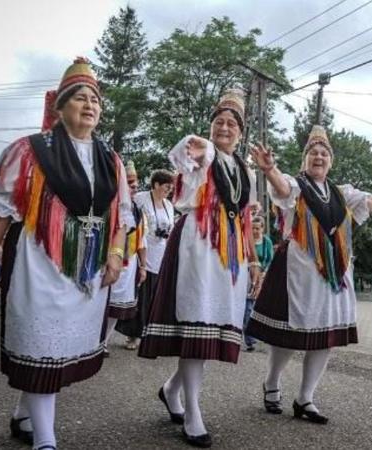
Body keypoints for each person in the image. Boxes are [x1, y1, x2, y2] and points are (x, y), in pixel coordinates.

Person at [0, 57, 132, 450]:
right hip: (39, 260)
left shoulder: (110, 160)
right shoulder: (30, 151)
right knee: (41, 346)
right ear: (59, 106)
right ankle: (45, 438)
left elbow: (121, 216)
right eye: (79, 97)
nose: (90, 105)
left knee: (57, 350)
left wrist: (115, 254)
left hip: (86, 266)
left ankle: (24, 415)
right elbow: (1, 210)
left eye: (95, 99)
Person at [247, 124, 372, 424]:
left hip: (333, 272)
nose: (318, 157)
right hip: (298, 268)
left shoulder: (341, 193)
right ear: (305, 159)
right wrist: (269, 170)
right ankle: (272, 382)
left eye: (324, 153)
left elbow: (371, 203)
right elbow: (281, 188)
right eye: (313, 153)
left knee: (325, 336)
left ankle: (305, 398)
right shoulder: (296, 185)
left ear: (331, 161)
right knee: (291, 335)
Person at [137, 88, 261, 448]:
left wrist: (253, 259)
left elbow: (248, 217)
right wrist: (198, 143)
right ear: (211, 127)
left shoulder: (245, 171)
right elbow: (182, 155)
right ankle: (192, 411)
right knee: (197, 323)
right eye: (219, 121)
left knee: (208, 329)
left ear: (241, 132)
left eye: (232, 124)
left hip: (230, 252)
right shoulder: (203, 155)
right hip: (198, 242)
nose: (225, 127)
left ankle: (171, 390)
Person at [115, 168, 174, 350]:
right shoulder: (140, 198)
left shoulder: (169, 205)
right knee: (141, 297)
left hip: (160, 255)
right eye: (166, 186)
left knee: (154, 299)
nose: (168, 190)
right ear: (156, 184)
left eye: (170, 188)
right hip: (141, 252)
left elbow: (171, 227)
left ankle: (148, 333)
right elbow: (130, 220)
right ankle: (132, 335)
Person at [104, 161, 147, 355]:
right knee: (101, 303)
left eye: (135, 186)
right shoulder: (108, 204)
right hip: (107, 259)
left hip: (128, 264)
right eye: (130, 185)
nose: (134, 189)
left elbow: (142, 240)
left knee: (119, 305)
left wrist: (143, 266)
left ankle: (103, 342)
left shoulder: (138, 211)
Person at [244, 216, 273, 352]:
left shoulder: (266, 241)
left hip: (262, 276)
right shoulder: (246, 240)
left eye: (257, 228)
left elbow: (270, 259)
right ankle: (250, 339)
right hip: (247, 276)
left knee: (260, 308)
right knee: (248, 308)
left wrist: (263, 273)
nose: (255, 231)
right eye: (253, 228)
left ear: (262, 228)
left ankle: (262, 333)